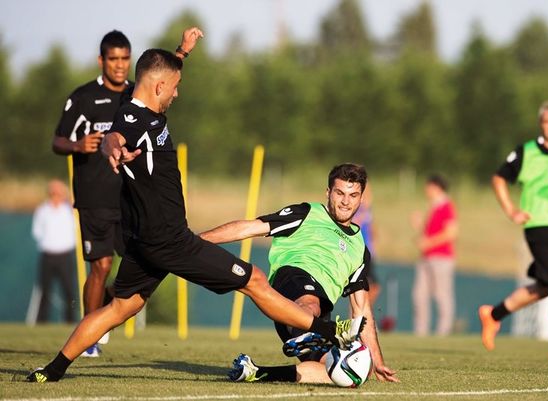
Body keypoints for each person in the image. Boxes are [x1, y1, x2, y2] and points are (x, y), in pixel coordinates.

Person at [26, 44, 363, 383]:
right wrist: (111, 148)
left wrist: (181, 53)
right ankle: (332, 331)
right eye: (175, 87)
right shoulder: (135, 119)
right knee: (255, 280)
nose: (177, 93)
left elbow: (154, 72)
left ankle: (52, 370)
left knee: (120, 308)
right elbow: (115, 137)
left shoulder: (138, 101)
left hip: (146, 242)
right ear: (159, 87)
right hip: (170, 240)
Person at [51, 27, 203, 357]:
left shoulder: (134, 95)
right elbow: (58, 140)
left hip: (129, 199)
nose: (120, 65)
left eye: (125, 59)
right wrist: (79, 144)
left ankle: (104, 309)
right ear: (101, 60)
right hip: (94, 198)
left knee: (131, 270)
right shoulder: (83, 98)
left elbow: (162, 81)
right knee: (101, 265)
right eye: (113, 59)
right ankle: (89, 338)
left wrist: (182, 51)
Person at [200, 164, 397, 384]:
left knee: (351, 373)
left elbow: (362, 309)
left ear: (361, 199)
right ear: (328, 193)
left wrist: (376, 361)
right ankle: (307, 334)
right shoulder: (307, 213)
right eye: (339, 193)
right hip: (293, 283)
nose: (345, 201)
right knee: (311, 302)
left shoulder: (359, 248)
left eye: (353, 195)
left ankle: (255, 372)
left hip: (318, 318)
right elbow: (249, 228)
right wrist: (194, 242)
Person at [479, 99, 548, 360]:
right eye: (547, 122)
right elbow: (498, 178)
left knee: (546, 286)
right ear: (541, 125)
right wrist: (511, 210)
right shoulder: (527, 151)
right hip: (538, 224)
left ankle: (493, 315)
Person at [410, 175, 458, 336]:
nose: (426, 190)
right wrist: (419, 225)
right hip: (426, 258)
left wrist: (428, 243)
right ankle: (421, 332)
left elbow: (451, 233)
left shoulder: (446, 206)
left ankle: (443, 332)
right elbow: (429, 232)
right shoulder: (434, 207)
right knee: (419, 295)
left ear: (436, 187)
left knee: (442, 295)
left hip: (441, 258)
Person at [31, 179, 77, 323]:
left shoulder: (69, 210)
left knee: (69, 290)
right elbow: (37, 231)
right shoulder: (42, 210)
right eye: (53, 192)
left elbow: (76, 228)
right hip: (48, 255)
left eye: (59, 192)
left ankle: (69, 321)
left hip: (65, 255)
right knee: (45, 291)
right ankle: (41, 322)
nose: (56, 194)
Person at [352, 183, 381, 307]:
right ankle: (359, 315)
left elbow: (371, 230)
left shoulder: (368, 210)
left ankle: (363, 313)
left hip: (369, 251)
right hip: (359, 251)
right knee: (358, 288)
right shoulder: (355, 208)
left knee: (372, 286)